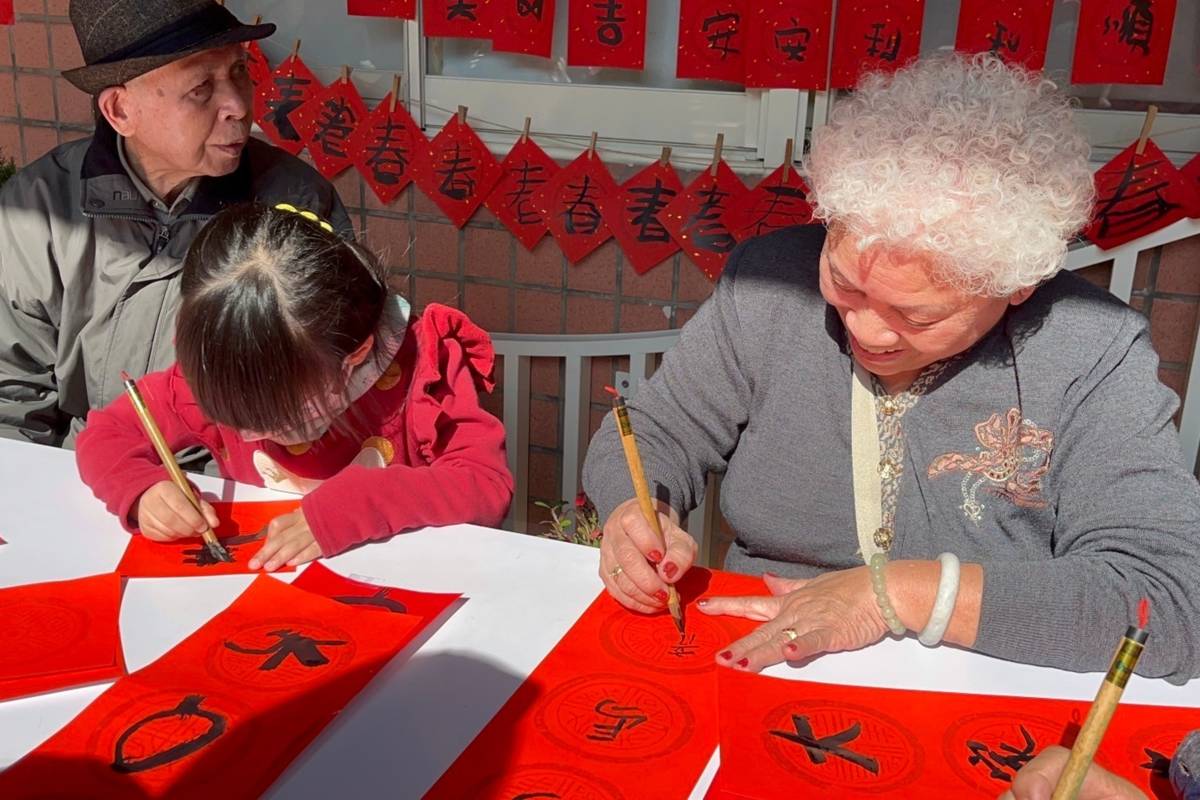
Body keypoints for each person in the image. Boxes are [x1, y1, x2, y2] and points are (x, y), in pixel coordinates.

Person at [582, 53, 1200, 682]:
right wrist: (638, 511)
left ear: (1017, 285)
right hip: (758, 649)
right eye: (843, 283)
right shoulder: (770, 285)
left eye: (918, 317)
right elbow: (657, 428)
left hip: (985, 673)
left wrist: (896, 595)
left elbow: (1169, 599)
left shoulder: (1090, 347)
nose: (866, 330)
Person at [75, 203, 512, 568]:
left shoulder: (422, 367)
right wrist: (141, 490)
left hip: (397, 586)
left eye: (279, 417)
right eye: (234, 418)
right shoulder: (223, 371)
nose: (250, 436)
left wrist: (358, 506)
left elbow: (486, 485)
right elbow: (106, 434)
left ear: (354, 357)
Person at [0, 0, 351, 448]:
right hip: (84, 472)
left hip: (239, 475)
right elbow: (11, 394)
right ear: (121, 111)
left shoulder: (296, 205)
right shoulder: (40, 209)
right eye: (202, 88)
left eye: (240, 73)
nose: (238, 107)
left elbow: (331, 384)